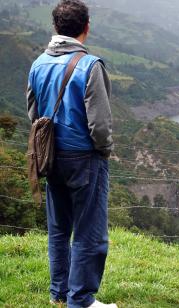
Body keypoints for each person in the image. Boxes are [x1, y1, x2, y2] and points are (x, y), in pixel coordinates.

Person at [26, 0, 115, 307]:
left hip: (50, 158)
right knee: (90, 232)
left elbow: (33, 113)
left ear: (56, 28)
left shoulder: (38, 64)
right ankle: (82, 300)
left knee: (59, 229)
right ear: (86, 28)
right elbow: (100, 124)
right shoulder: (91, 65)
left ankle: (59, 294)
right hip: (84, 159)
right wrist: (104, 151)